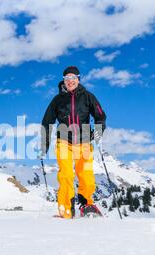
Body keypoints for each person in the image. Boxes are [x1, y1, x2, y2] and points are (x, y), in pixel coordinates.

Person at [41, 66, 107, 219]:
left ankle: (86, 204)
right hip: (64, 140)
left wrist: (98, 131)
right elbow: (47, 121)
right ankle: (66, 209)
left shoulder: (88, 96)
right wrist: (44, 144)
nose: (70, 81)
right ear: (63, 81)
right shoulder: (57, 100)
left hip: (84, 141)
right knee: (66, 175)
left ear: (78, 79)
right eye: (67, 78)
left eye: (73, 78)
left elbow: (100, 116)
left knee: (86, 175)